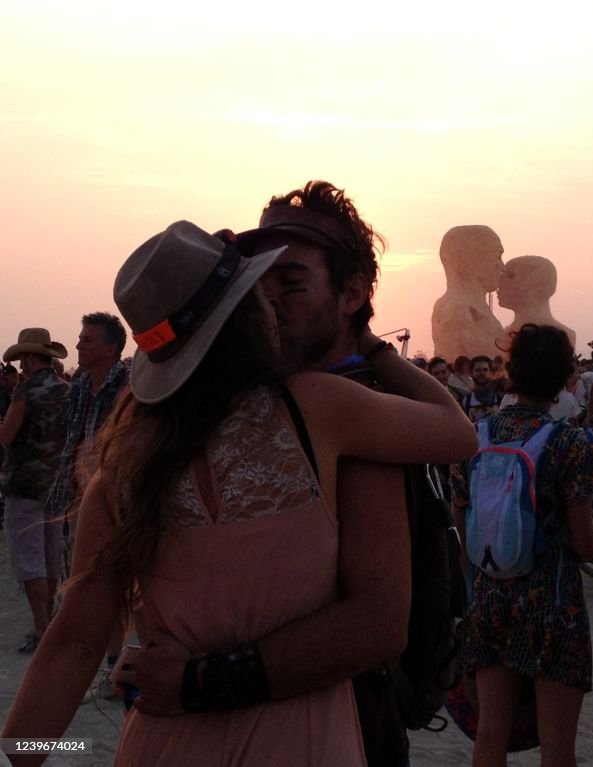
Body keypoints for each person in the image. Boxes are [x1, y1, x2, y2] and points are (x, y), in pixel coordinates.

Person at [0, 221, 477, 766]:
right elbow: (456, 432)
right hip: (302, 745)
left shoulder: (125, 464)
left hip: (161, 746)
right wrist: (366, 340)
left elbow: (75, 646)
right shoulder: (317, 407)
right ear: (246, 315)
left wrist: (34, 748)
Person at [451, 324, 593, 766]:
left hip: (491, 596)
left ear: (511, 371)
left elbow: (462, 522)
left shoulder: (476, 434)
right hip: (553, 604)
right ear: (562, 378)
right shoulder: (568, 442)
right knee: (557, 747)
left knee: (490, 735)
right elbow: (583, 540)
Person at [44, 312, 131, 701]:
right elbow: (71, 444)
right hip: (81, 496)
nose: (78, 345)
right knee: (83, 582)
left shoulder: (128, 387)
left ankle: (115, 666)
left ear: (110, 348)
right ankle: (102, 668)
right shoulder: (79, 388)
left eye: (87, 340)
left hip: (119, 496)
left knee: (116, 583)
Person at [0, 328, 70, 654]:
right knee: (50, 554)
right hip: (57, 485)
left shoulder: (25, 390)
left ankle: (42, 631)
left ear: (29, 357)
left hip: (24, 484)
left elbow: (7, 436)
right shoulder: (66, 389)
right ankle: (51, 624)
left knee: (30, 560)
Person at [431, 224, 506, 362]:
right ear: (474, 259)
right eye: (497, 256)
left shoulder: (453, 305)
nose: (502, 266)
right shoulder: (459, 310)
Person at [496, 255, 576, 350]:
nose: (499, 282)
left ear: (536, 281)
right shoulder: (503, 334)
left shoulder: (504, 336)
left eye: (511, 276)